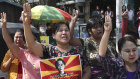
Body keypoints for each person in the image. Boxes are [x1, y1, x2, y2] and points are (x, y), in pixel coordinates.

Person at [21, 3, 89, 79]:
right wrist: (26, 24)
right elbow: (32, 45)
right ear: (53, 35)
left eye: (66, 30)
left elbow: (87, 71)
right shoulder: (49, 50)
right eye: (60, 30)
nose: (64, 33)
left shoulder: (79, 51)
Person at [70, 10, 117, 79]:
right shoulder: (85, 42)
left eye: (100, 26)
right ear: (89, 31)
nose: (99, 29)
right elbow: (70, 40)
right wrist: (73, 22)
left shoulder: (109, 42)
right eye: (95, 27)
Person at [1, 12, 42, 79]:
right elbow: (3, 69)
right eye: (16, 37)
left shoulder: (41, 53)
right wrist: (4, 27)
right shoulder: (16, 52)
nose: (18, 39)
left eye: (20, 37)